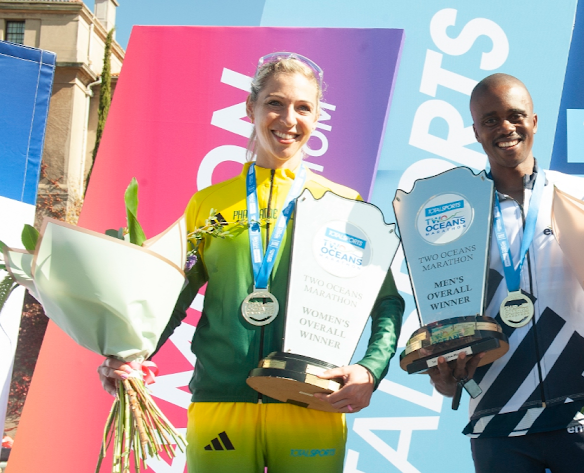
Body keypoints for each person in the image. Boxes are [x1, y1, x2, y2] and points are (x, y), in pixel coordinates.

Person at [97, 52, 404, 473]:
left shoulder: (344, 206)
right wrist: (131, 353)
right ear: (251, 109)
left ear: (317, 117)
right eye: (275, 103)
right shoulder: (208, 204)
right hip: (221, 401)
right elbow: (170, 296)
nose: (288, 119)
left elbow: (387, 302)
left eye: (303, 107)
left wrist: (370, 370)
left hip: (311, 400)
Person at [427, 73, 584, 473]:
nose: (505, 128)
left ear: (534, 121)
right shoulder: (454, 216)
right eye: (491, 120)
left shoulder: (583, 197)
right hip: (497, 416)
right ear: (476, 131)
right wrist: (442, 374)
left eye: (515, 115)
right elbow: (444, 311)